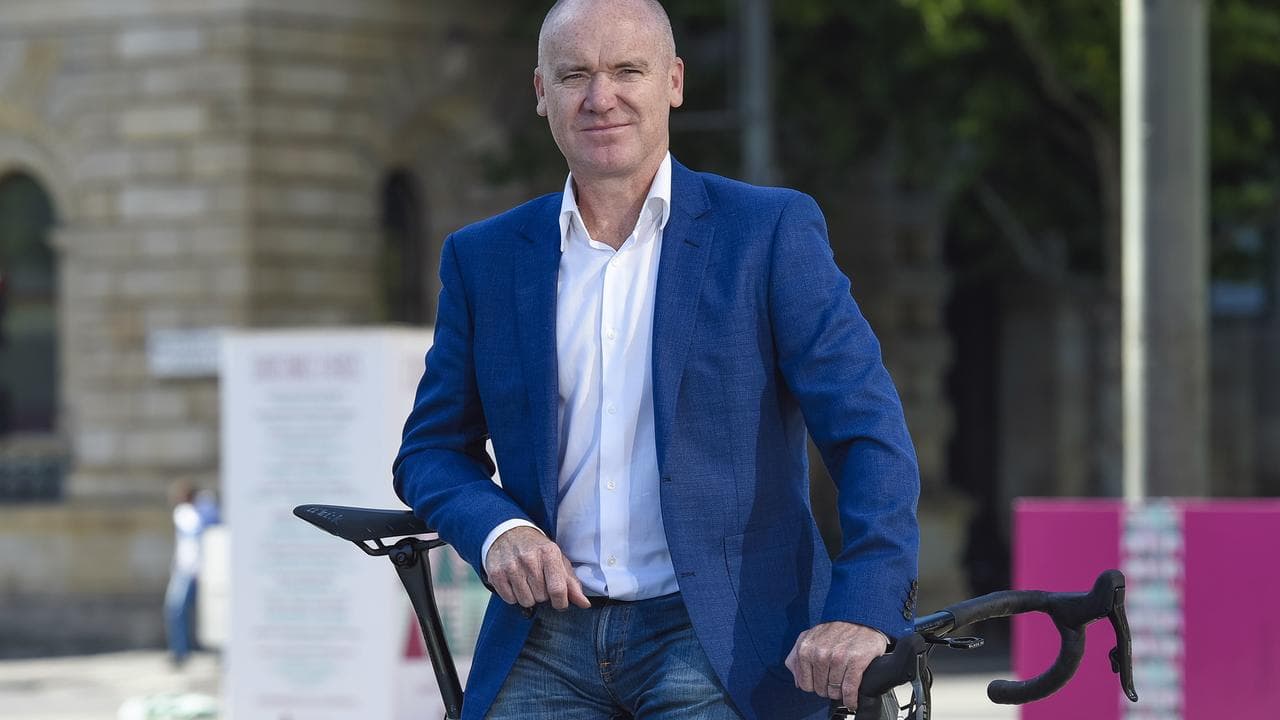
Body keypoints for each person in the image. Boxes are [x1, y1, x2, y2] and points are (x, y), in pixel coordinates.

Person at [393, 1, 920, 718]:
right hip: (544, 638)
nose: (599, 97)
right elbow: (430, 450)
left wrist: (864, 607)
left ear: (673, 81)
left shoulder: (767, 233)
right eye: (574, 74)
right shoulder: (483, 259)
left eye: (626, 71)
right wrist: (497, 529)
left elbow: (869, 432)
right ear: (541, 91)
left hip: (722, 638)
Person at [165, 480, 205, 668]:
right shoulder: (189, 513)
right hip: (187, 570)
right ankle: (181, 651)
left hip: (193, 570)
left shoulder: (190, 513)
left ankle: (182, 651)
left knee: (178, 610)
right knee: (177, 610)